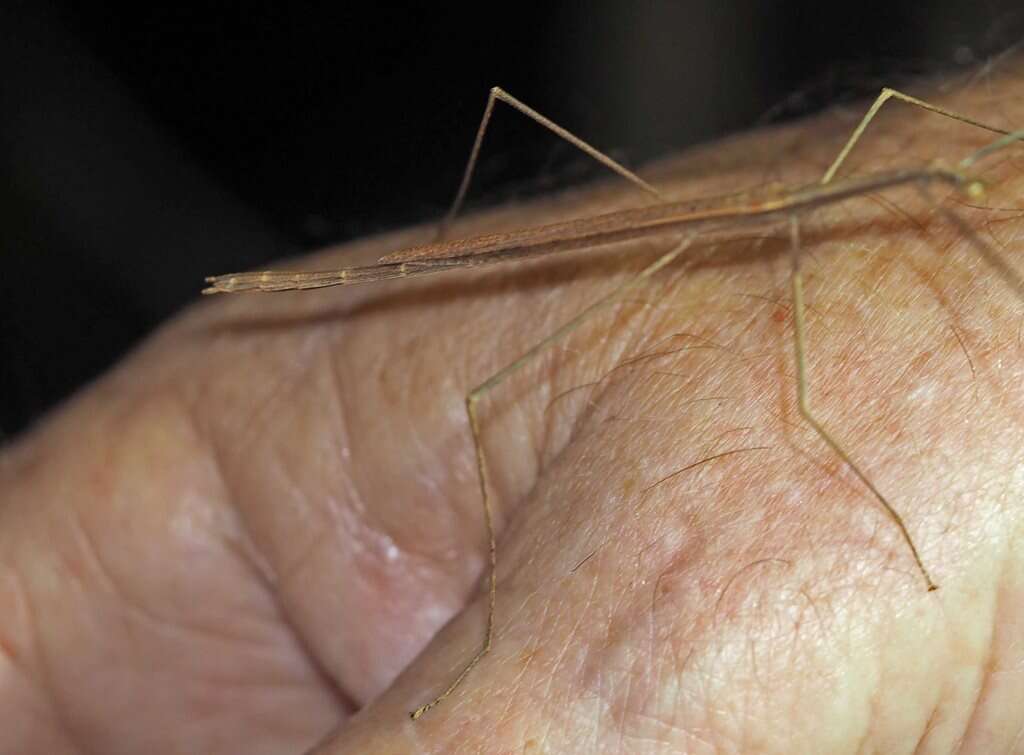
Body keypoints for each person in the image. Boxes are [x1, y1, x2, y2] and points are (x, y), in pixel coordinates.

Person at [2, 70, 1023, 754]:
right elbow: (806, 402)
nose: (955, 188)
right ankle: (489, 639)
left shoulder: (905, 188)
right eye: (956, 179)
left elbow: (940, 153)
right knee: (514, 385)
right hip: (621, 238)